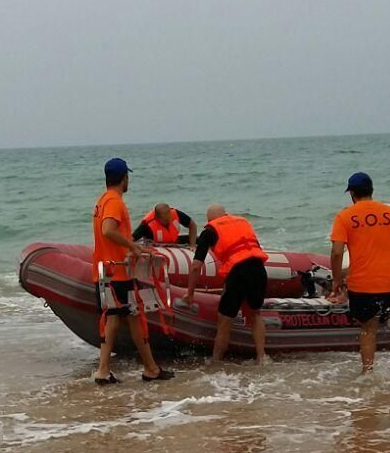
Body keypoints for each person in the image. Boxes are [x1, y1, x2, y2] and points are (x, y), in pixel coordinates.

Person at [329, 171, 390, 377]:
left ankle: (367, 372)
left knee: (368, 327)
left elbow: (336, 252)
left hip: (362, 284)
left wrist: (337, 280)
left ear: (352, 193)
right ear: (372, 190)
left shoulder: (344, 216)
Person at [92, 157, 173, 385]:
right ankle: (148, 369)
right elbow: (108, 230)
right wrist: (133, 246)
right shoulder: (114, 202)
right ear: (124, 178)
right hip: (118, 272)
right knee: (133, 317)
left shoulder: (102, 200)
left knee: (117, 318)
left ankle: (107, 370)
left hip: (106, 271)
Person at [185, 204, 269, 363]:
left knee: (224, 321)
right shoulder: (243, 222)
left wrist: (190, 293)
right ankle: (261, 357)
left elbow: (196, 266)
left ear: (209, 220)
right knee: (255, 314)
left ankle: (216, 361)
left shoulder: (210, 231)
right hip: (259, 269)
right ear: (226, 214)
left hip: (238, 273)